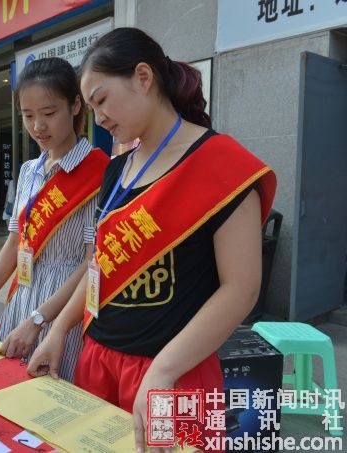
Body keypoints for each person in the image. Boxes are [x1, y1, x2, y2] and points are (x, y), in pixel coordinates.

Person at [27, 28, 276, 452]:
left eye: (102, 100)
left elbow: (241, 288)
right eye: (91, 107)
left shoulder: (221, 165)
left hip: (175, 373)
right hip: (98, 361)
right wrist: (59, 330)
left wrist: (163, 371)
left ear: (143, 77)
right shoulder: (116, 170)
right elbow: (100, 264)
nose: (99, 118)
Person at [0, 58, 110, 381]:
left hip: (63, 312)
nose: (38, 126)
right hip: (21, 299)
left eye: (49, 113)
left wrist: (39, 320)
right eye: (28, 115)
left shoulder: (101, 173)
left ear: (75, 105)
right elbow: (14, 243)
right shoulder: (28, 171)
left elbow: (92, 262)